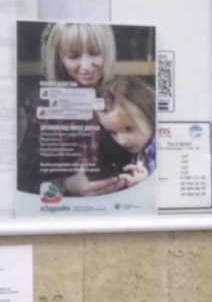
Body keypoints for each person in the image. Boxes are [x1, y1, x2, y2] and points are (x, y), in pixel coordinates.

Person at [17, 22, 130, 197]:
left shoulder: (127, 98)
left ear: (108, 51)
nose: (86, 66)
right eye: (73, 56)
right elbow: (23, 184)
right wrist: (67, 186)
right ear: (59, 59)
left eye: (95, 53)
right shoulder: (47, 108)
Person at [95, 76, 157, 188]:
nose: (121, 141)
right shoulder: (139, 151)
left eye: (129, 129)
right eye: (112, 132)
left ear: (150, 114)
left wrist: (146, 184)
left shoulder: (167, 150)